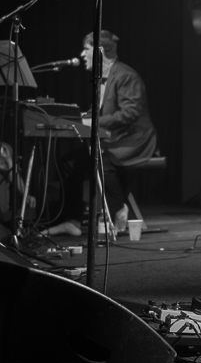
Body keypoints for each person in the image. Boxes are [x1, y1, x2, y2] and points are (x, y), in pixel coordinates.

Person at [46, 30, 158, 237]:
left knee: (100, 158)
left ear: (98, 52)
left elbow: (130, 113)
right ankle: (72, 220)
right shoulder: (102, 78)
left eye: (86, 49)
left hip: (134, 139)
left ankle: (118, 208)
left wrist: (93, 121)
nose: (81, 54)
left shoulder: (126, 75)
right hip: (114, 138)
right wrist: (77, 117)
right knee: (70, 163)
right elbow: (99, 112)